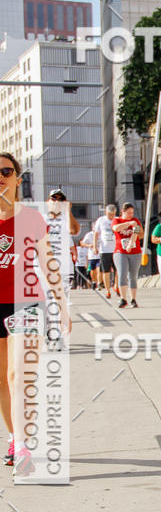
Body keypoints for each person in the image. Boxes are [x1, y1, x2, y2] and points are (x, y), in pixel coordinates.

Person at [0, 152, 70, 477]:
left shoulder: (31, 219)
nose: (0, 175)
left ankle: (25, 448)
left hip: (24, 302)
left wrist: (63, 306)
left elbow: (49, 264)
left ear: (17, 178)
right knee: (2, 380)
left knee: (19, 377)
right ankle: (15, 438)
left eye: (6, 170)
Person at [112, 202, 143, 308]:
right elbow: (115, 228)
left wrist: (130, 243)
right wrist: (129, 224)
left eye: (132, 213)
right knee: (122, 274)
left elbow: (137, 232)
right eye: (128, 213)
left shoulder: (136, 221)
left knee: (133, 276)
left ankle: (133, 299)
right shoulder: (117, 220)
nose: (131, 215)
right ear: (123, 212)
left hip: (135, 252)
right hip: (120, 251)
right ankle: (123, 298)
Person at [93, 204, 118, 298]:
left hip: (116, 249)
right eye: (109, 214)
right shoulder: (101, 220)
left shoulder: (117, 219)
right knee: (105, 271)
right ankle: (108, 290)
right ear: (106, 212)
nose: (111, 216)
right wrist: (95, 246)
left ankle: (116, 285)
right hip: (104, 249)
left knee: (118, 270)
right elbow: (96, 234)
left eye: (113, 214)